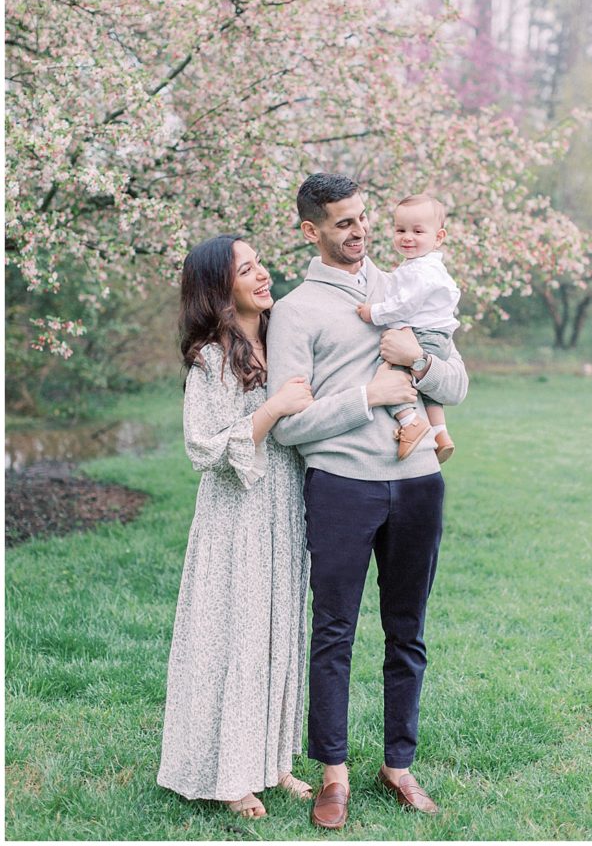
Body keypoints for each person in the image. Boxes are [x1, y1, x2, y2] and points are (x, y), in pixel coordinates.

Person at [267, 173, 469, 830]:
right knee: (334, 634)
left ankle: (398, 765)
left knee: (407, 632)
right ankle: (333, 775)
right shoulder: (295, 311)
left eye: (362, 218)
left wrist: (420, 360)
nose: (360, 232)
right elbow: (288, 425)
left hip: (417, 484)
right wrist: (367, 400)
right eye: (343, 223)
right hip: (341, 488)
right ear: (311, 230)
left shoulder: (409, 283)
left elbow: (457, 383)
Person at [157, 234, 314, 819]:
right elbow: (203, 448)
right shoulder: (210, 358)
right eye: (246, 270)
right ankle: (226, 773)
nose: (262, 275)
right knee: (239, 635)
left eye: (259, 264)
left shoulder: (282, 338)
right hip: (237, 513)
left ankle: (272, 763)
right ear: (221, 292)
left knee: (279, 630)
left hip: (285, 506)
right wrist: (271, 409)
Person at [356, 193, 460, 463]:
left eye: (417, 231)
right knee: (428, 391)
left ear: (438, 237)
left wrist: (373, 312)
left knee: (387, 373)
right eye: (400, 230)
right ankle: (441, 434)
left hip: (423, 336)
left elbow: (403, 306)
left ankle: (409, 421)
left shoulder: (420, 272)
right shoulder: (423, 267)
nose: (407, 237)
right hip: (437, 337)